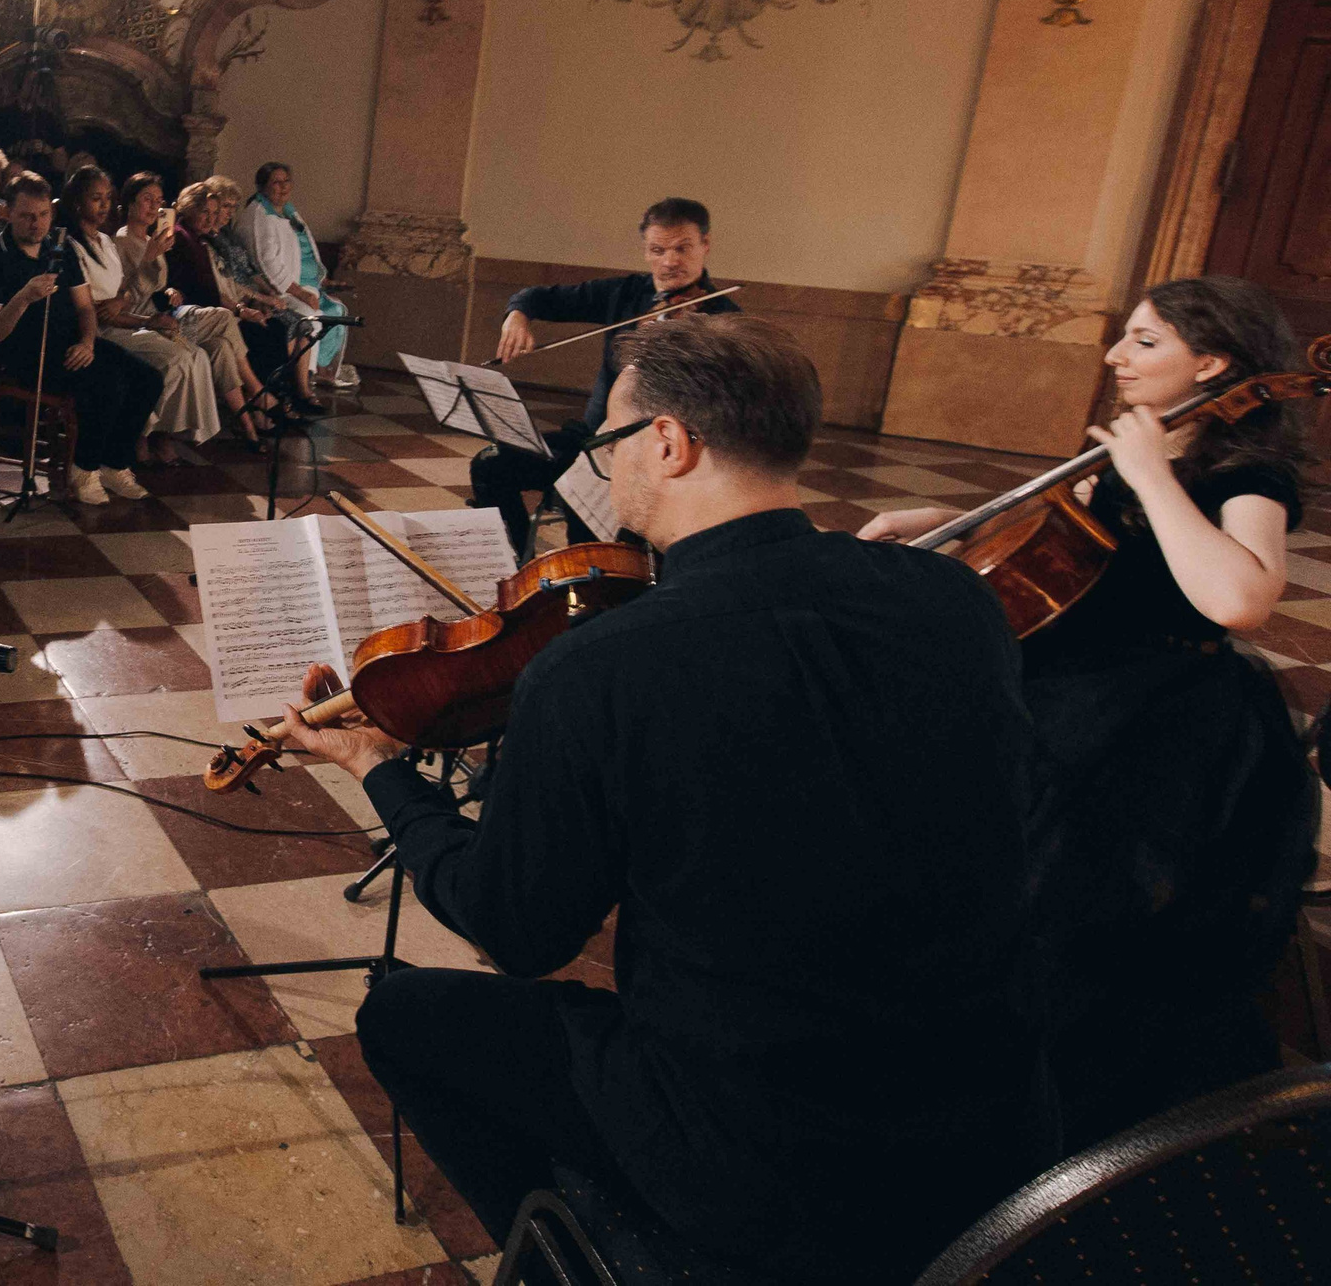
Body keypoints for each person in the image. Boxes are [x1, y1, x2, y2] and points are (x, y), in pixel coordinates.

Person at [279, 316, 1052, 1281]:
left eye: (608, 440)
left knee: (404, 1017)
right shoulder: (955, 600)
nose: (604, 466)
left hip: (763, 1151)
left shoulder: (599, 668)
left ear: (670, 443)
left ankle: (581, 1253)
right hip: (992, 1118)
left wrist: (378, 766)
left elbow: (516, 931)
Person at [861, 275, 1316, 1150]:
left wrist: (1151, 476)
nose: (1115, 354)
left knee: (1071, 925)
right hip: (1069, 695)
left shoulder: (1245, 469)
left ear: (1212, 360)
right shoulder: (1140, 446)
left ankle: (1061, 1121)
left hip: (1158, 726)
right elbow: (1089, 558)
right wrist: (953, 518)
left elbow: (1241, 598)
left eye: (1145, 341)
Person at [471, 197, 738, 556]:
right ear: (645, 251)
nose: (670, 261)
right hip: (593, 439)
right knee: (491, 464)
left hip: (660, 458)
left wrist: (681, 341)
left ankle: (591, 590)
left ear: (706, 245)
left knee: (587, 510)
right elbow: (536, 296)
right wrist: (518, 314)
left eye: (682, 248)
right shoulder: (628, 294)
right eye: (658, 250)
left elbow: (723, 402)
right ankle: (518, 565)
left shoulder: (725, 319)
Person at [0, 172, 161, 505]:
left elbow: (86, 308)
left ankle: (114, 464)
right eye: (27, 216)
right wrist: (22, 299)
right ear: (10, 213)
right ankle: (83, 470)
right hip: (27, 355)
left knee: (148, 378)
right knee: (109, 383)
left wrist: (88, 342)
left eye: (43, 214)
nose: (37, 224)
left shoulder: (58, 248)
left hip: (71, 344)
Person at [112, 173, 285, 447]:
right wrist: (151, 261)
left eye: (158, 201)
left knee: (221, 348)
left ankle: (248, 428)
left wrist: (168, 290)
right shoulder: (123, 241)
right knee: (224, 317)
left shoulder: (153, 239)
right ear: (130, 202)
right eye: (147, 199)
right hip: (143, 322)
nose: (154, 207)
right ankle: (257, 393)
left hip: (166, 313)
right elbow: (125, 296)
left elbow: (160, 286)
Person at [63, 168, 219, 458]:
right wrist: (145, 316)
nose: (103, 205)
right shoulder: (74, 247)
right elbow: (99, 311)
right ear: (77, 203)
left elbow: (121, 293)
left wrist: (143, 314)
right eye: (96, 198)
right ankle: (140, 432)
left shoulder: (105, 242)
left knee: (193, 353)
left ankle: (159, 431)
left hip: (126, 320)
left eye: (106, 198)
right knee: (177, 358)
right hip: (102, 330)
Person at [188, 176, 320, 412]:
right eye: (224, 206)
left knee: (300, 325)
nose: (228, 212)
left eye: (232, 207)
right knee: (277, 330)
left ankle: (299, 391)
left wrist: (268, 293)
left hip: (247, 297)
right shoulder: (209, 240)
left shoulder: (226, 236)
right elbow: (227, 284)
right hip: (234, 304)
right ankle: (273, 397)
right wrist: (259, 300)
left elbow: (251, 271)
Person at [238, 162, 352, 395]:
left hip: (304, 286)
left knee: (338, 311)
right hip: (279, 291)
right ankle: (302, 383)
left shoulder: (288, 210)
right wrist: (299, 292)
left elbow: (304, 251)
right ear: (262, 187)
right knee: (313, 316)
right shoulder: (259, 215)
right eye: (276, 182)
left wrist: (322, 281)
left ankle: (321, 372)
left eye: (286, 181)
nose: (283, 187)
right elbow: (266, 262)